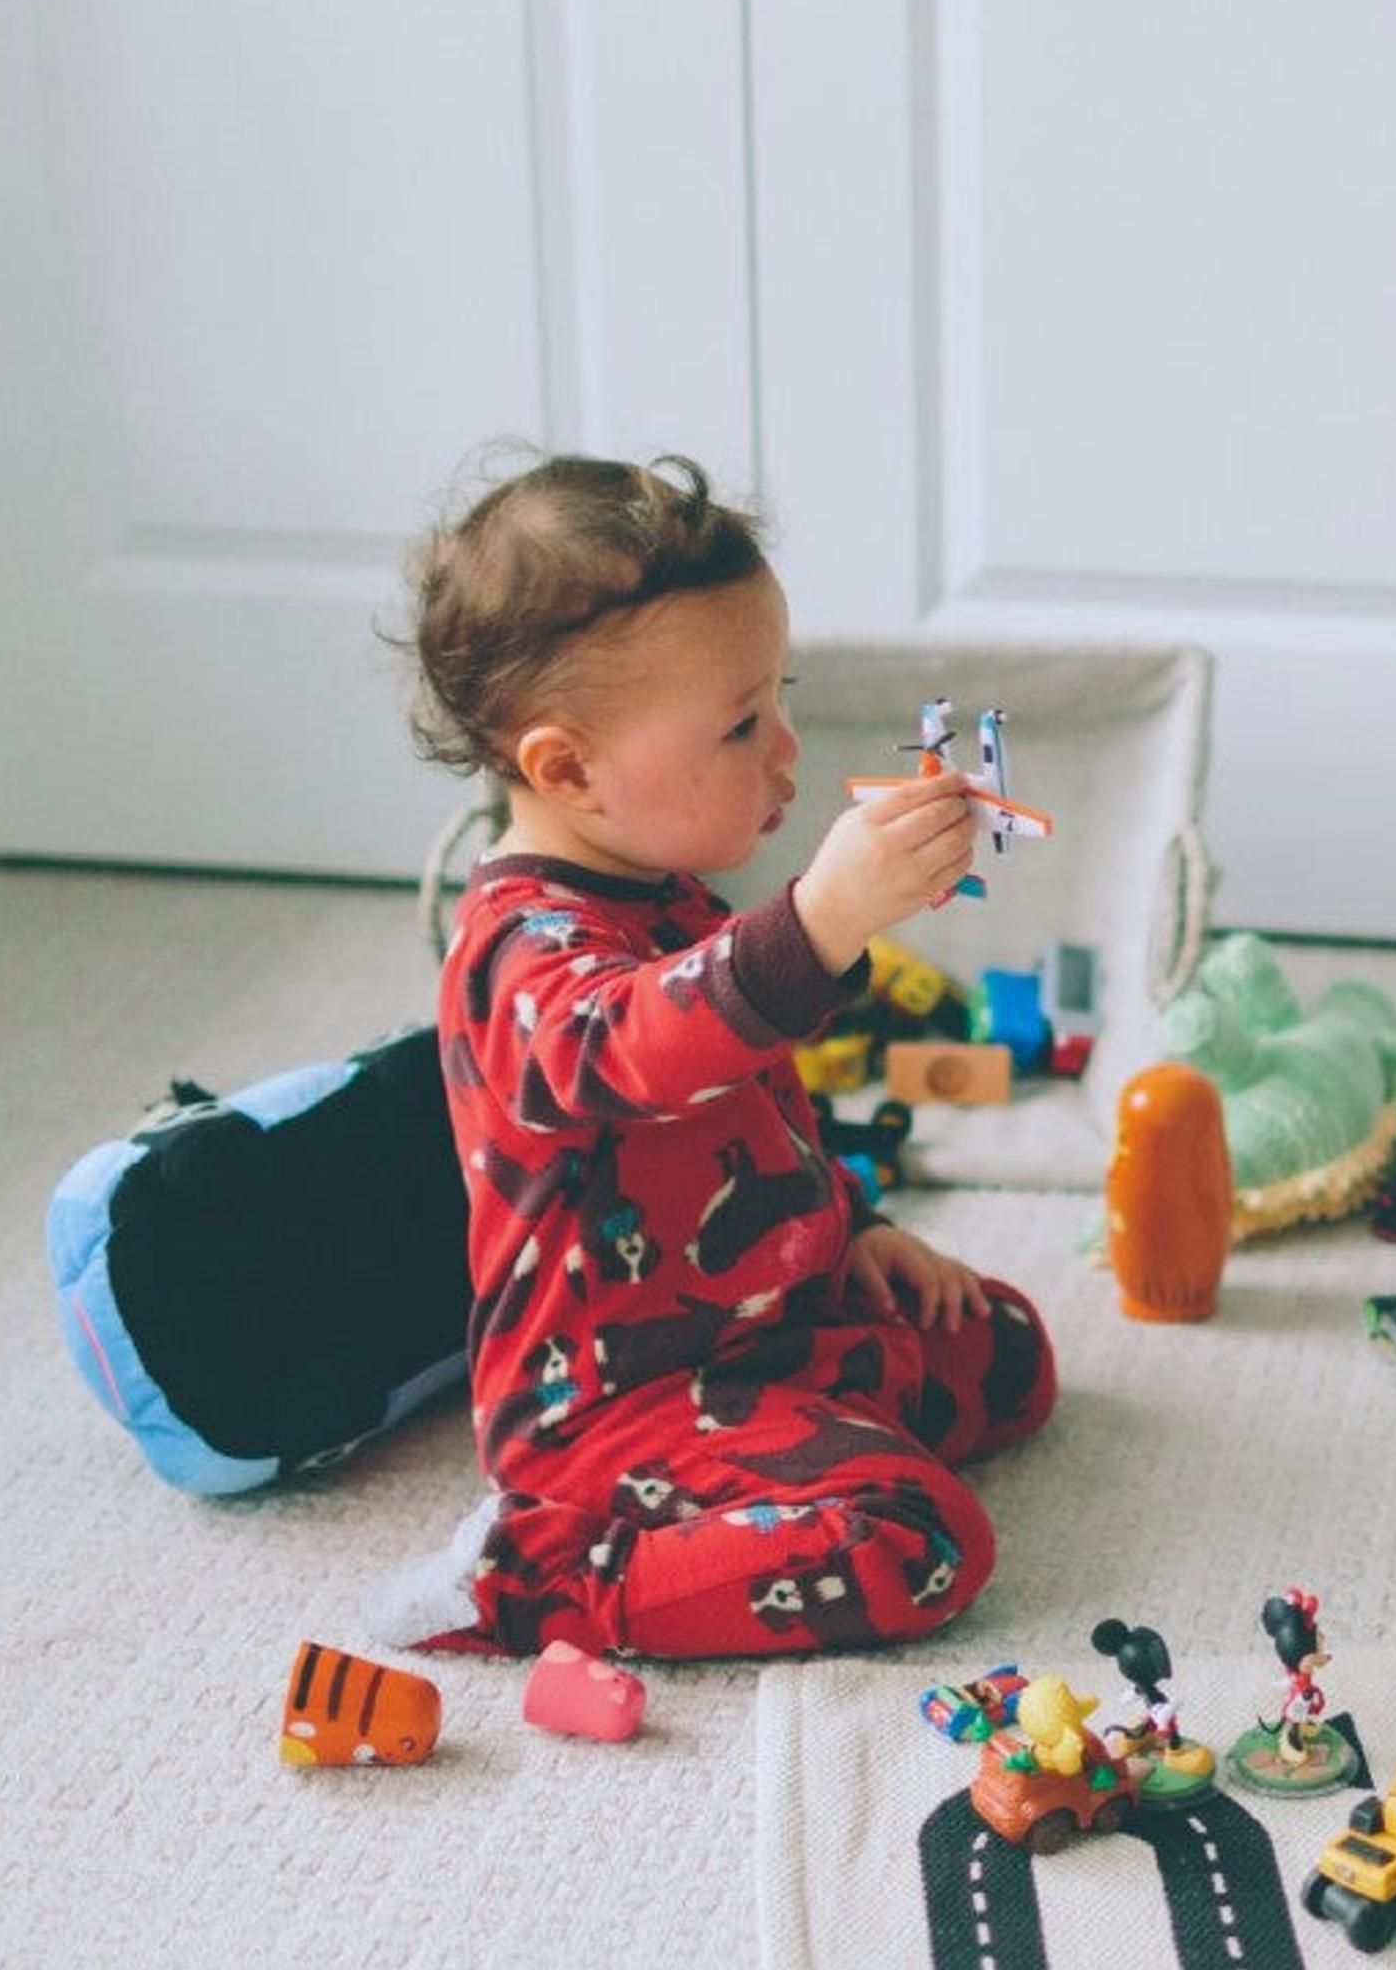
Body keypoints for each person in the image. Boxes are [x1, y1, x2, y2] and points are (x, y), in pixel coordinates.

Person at [366, 452, 1056, 1660]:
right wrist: (824, 918)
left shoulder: (665, 888)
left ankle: (810, 1410)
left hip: (761, 1318)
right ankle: (544, 1583)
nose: (787, 748)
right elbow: (638, 1045)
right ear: (565, 769)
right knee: (920, 1539)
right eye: (741, 725)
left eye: (776, 695)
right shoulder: (520, 952)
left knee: (1006, 1359)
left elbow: (752, 1114)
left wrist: (853, 1230)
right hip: (610, 1402)